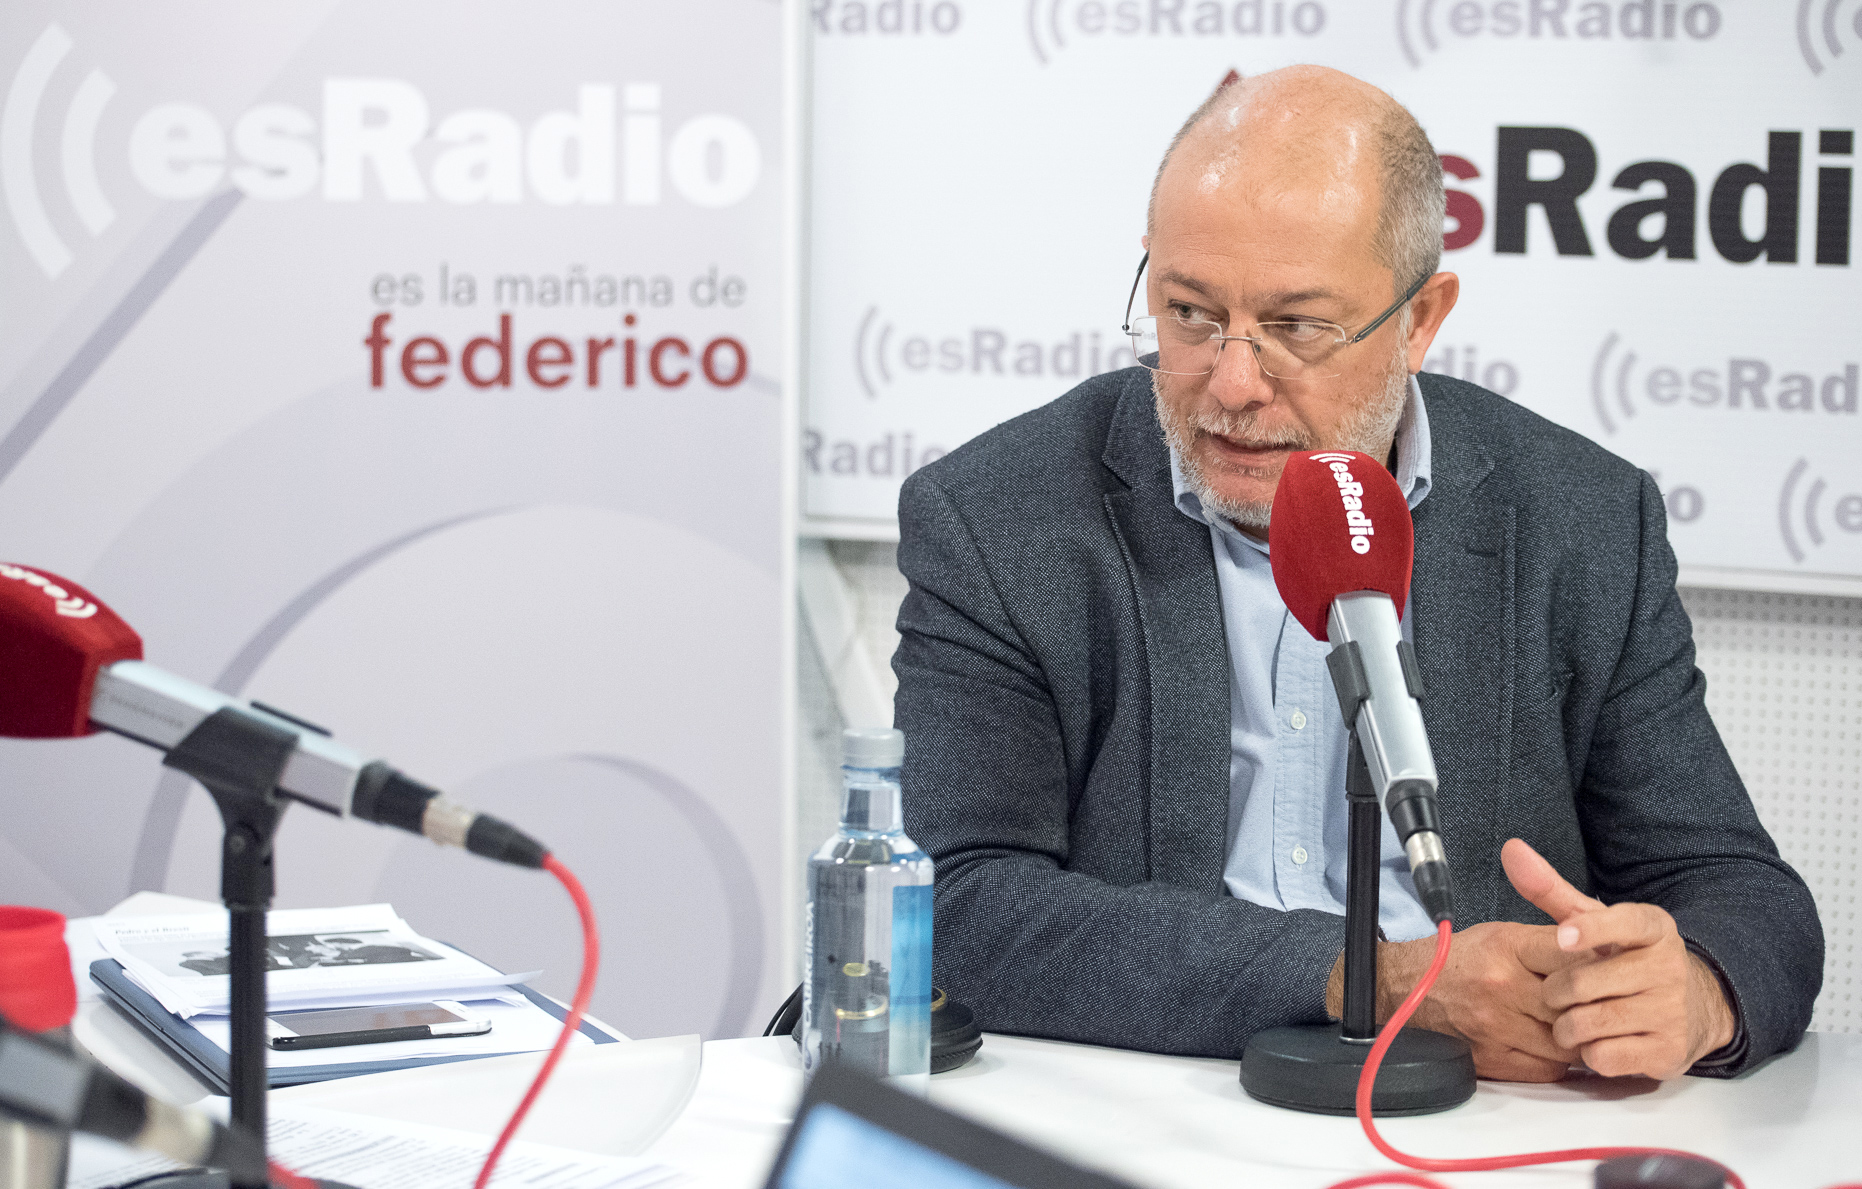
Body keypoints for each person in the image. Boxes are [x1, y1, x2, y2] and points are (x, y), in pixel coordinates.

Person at [892, 65, 1822, 1082]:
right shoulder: (998, 515)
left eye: (1296, 327)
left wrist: (1691, 990)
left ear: (1419, 320)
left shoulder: (1585, 520)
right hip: (1147, 1091)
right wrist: (1368, 978)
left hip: (1484, 1115)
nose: (1232, 383)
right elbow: (956, 904)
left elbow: (1737, 889)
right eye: (1189, 313)